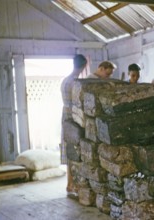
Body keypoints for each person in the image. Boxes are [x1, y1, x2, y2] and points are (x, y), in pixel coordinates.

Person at [61, 54, 87, 198]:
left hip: (65, 114)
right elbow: (78, 102)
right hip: (73, 116)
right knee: (75, 150)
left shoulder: (65, 80)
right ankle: (73, 184)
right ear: (83, 66)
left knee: (69, 149)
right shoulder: (75, 82)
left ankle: (70, 183)